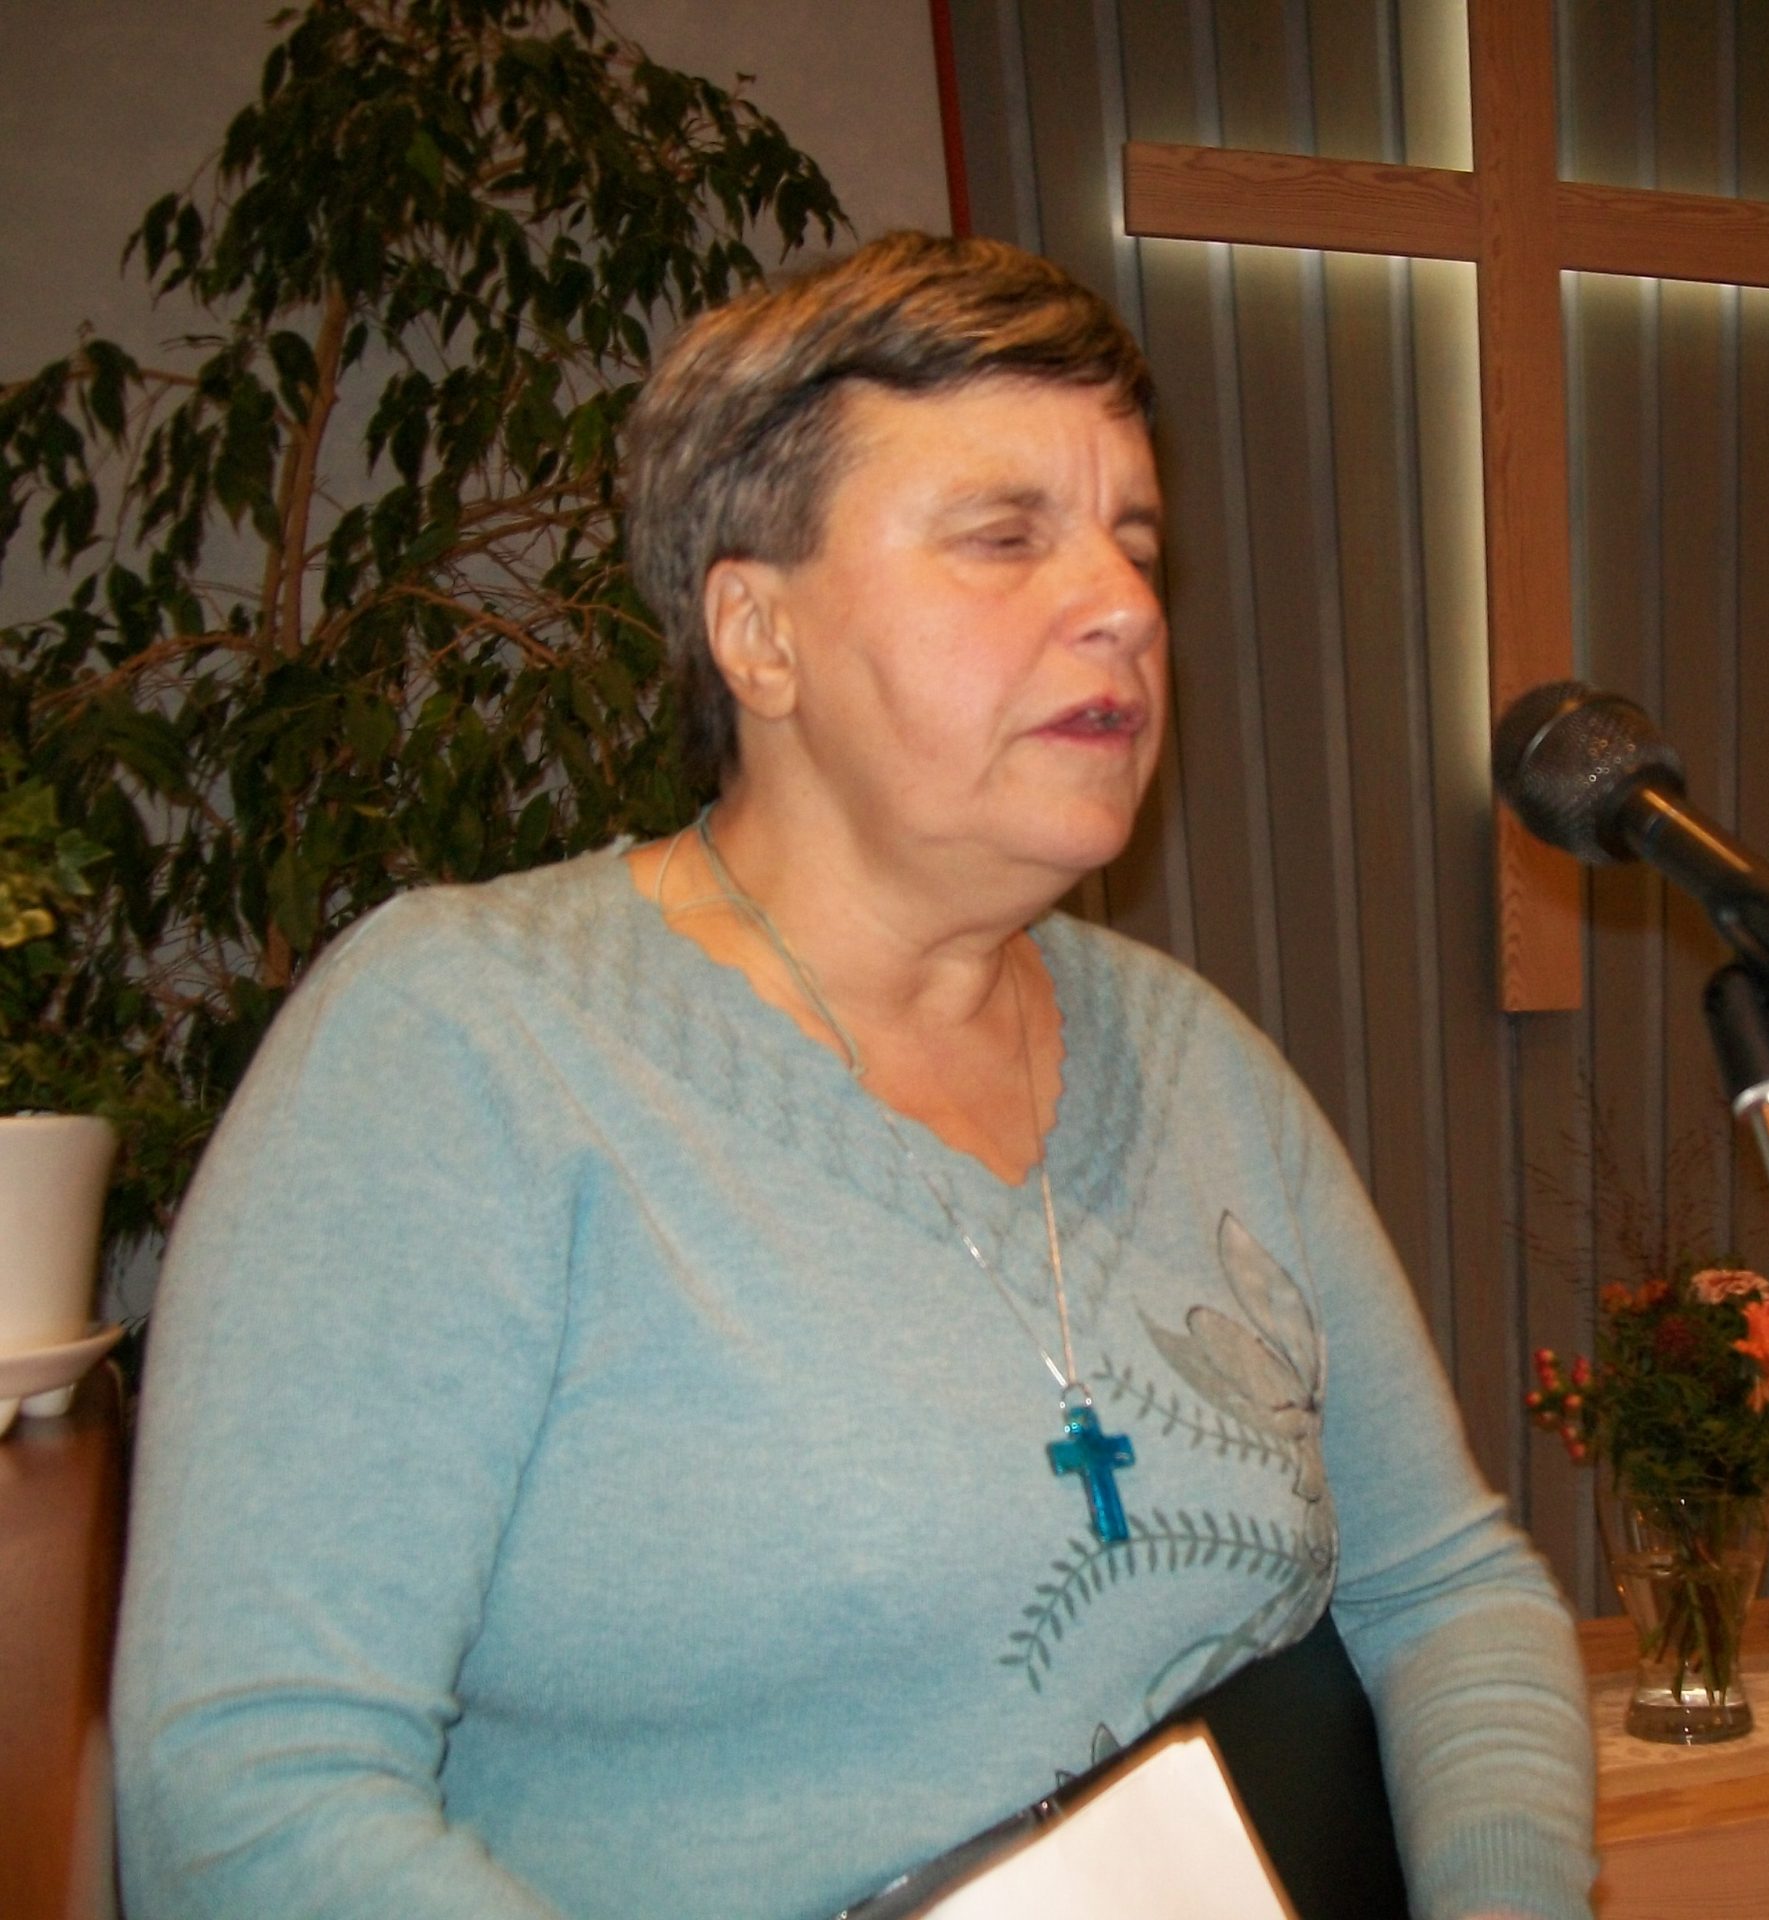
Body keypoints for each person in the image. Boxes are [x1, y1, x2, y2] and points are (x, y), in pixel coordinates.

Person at [112, 231, 1597, 1920]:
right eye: (1003, 537)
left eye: (1133, 542)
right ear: (758, 634)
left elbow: (1447, 1591)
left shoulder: (1201, 1060)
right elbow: (245, 1793)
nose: (1124, 606)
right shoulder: (461, 1045)